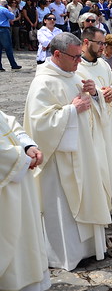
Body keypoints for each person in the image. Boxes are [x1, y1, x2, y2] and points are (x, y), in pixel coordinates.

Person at [24, 32, 112, 270]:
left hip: (83, 151)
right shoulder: (43, 82)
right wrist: (71, 111)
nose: (78, 62)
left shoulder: (72, 76)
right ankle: (65, 255)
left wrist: (94, 95)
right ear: (56, 54)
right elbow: (39, 124)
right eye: (74, 57)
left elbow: (89, 113)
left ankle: (90, 248)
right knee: (63, 206)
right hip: (59, 160)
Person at [77, 27, 112, 220]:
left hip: (109, 124)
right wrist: (99, 93)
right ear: (86, 42)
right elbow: (81, 93)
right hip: (94, 126)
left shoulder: (103, 65)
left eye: (104, 44)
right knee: (100, 166)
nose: (103, 48)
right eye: (100, 43)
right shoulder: (77, 67)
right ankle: (102, 208)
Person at [0, 110, 50, 291]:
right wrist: (21, 159)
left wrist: (28, 145)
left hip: (19, 186)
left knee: (25, 235)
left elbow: (7, 121)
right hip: (6, 191)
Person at [0, 0, 22, 71]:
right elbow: (12, 17)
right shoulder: (4, 10)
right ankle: (13, 64)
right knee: (8, 47)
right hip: (3, 29)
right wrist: (10, 10)